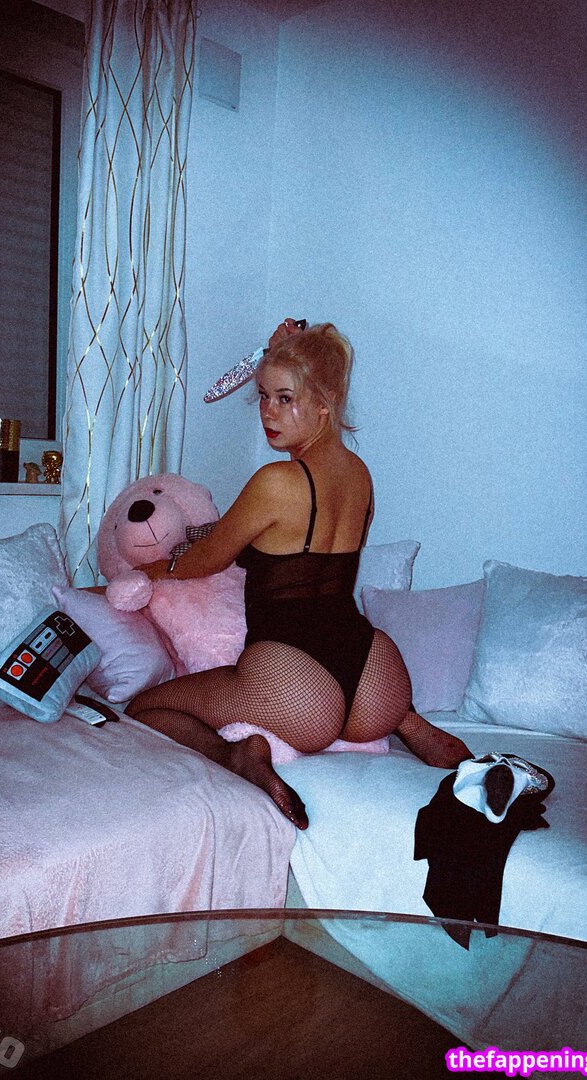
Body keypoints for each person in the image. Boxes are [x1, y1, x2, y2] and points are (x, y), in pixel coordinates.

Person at [125, 320, 471, 828]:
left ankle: (235, 756)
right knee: (360, 683)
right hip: (372, 672)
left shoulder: (275, 482)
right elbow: (291, 547)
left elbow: (209, 557)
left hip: (296, 681)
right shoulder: (360, 475)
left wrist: (158, 568)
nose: (267, 412)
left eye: (285, 399)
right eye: (264, 396)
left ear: (325, 403)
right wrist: (285, 350)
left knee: (145, 708)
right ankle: (405, 721)